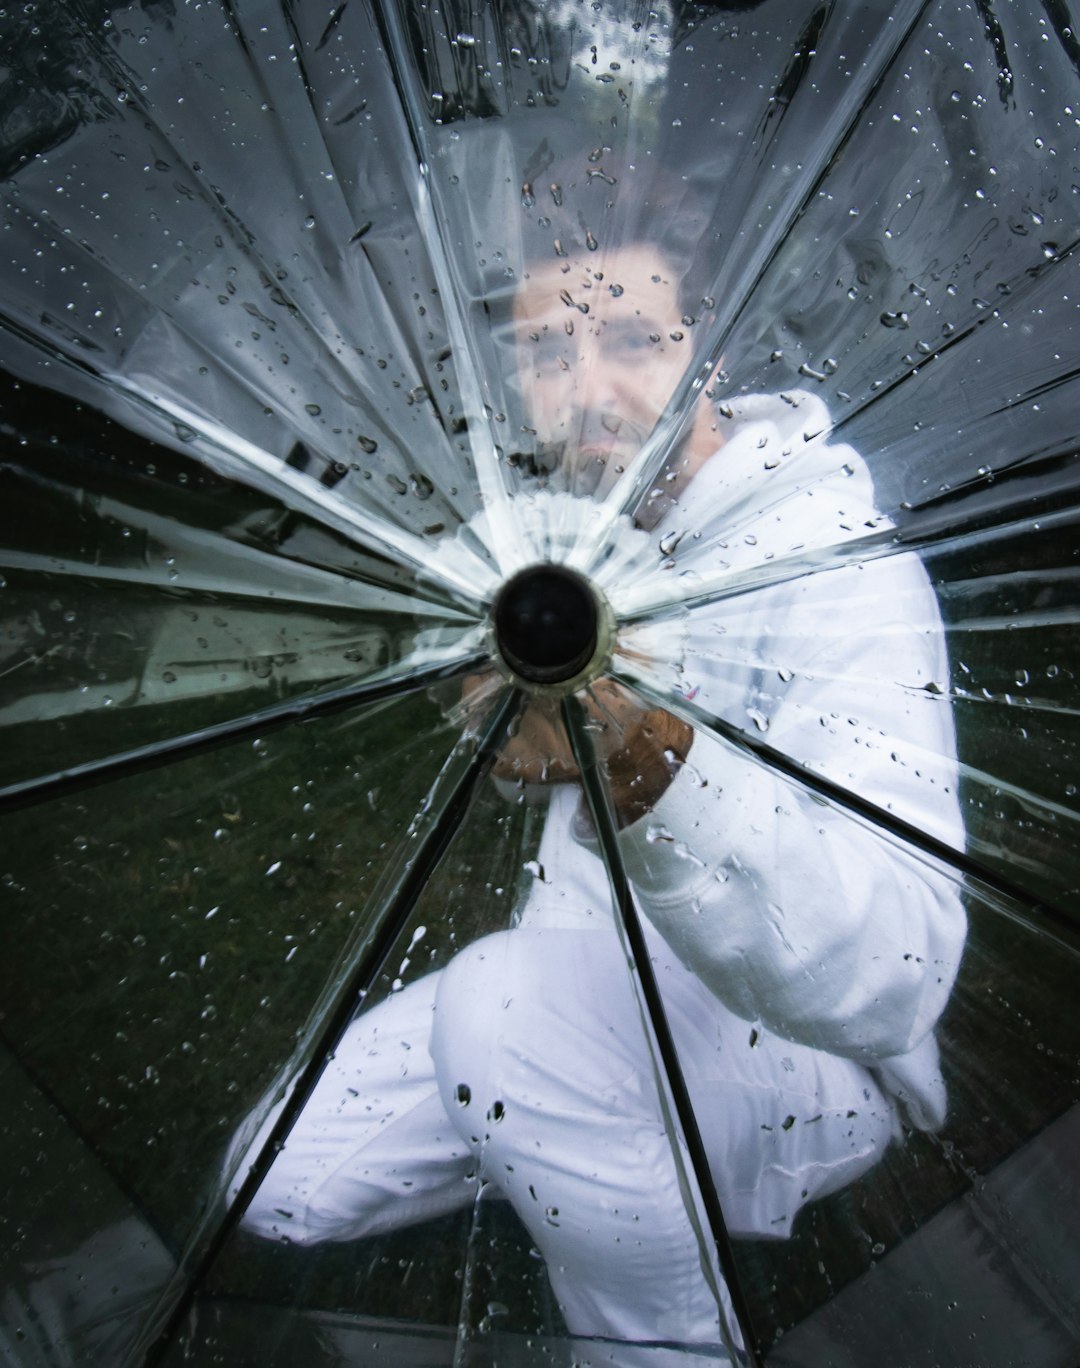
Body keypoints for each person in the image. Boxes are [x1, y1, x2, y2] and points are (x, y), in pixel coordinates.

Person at [230, 240, 967, 1361]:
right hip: (591, 975)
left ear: (710, 355)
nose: (584, 392)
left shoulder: (839, 570)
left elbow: (895, 977)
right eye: (545, 351)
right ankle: (569, 1128)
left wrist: (644, 762)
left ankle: (662, 1334)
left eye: (631, 342)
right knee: (273, 1179)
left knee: (503, 1015)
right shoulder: (595, 547)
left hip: (814, 1058)